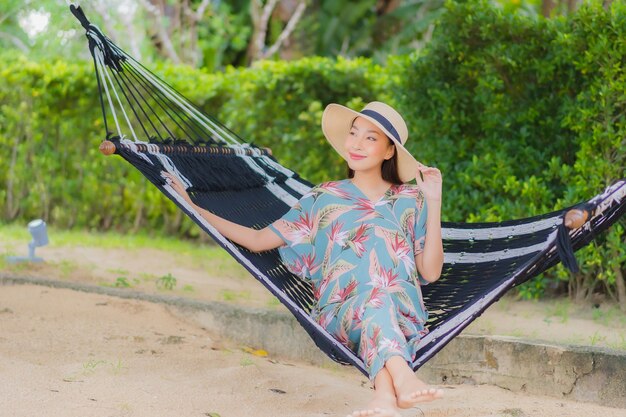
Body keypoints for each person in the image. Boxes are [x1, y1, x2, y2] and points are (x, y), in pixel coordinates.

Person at [162, 101, 444, 417]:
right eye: (354, 134)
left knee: (378, 302)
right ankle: (402, 379)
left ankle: (385, 398)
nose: (357, 144)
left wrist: (434, 201)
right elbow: (258, 240)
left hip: (399, 312)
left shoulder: (410, 201)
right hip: (341, 312)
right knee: (372, 301)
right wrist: (193, 207)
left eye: (371, 138)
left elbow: (430, 272)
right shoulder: (321, 198)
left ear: (389, 151)